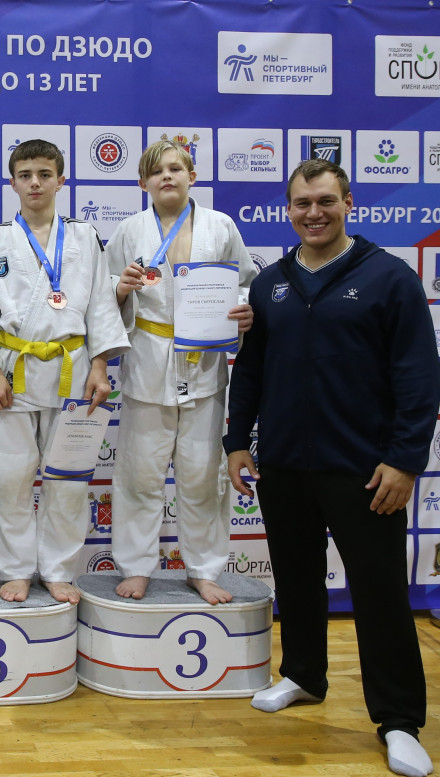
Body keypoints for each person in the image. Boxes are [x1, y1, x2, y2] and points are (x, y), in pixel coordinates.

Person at [225, 159, 439, 777]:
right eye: (302, 204)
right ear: (288, 210)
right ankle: (303, 675)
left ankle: (398, 720)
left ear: (349, 203)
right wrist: (237, 440)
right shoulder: (272, 283)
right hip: (285, 463)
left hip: (365, 469)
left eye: (325, 201)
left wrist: (404, 460)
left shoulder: (389, 277)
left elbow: (418, 377)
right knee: (295, 578)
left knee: (380, 593)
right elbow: (252, 370)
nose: (313, 213)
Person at [0, 140, 129, 604]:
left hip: (73, 368)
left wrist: (100, 365)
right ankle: (16, 569)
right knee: (12, 478)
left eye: (44, 174)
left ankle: (58, 569)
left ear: (60, 180)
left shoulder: (84, 237)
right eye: (25, 175)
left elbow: (100, 304)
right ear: (12, 183)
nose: (35, 183)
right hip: (13, 372)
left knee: (68, 479)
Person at [107, 140, 256, 604]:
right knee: (139, 475)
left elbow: (245, 282)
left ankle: (204, 569)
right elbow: (101, 294)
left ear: (192, 175)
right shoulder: (129, 230)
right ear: (143, 183)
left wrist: (243, 309)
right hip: (147, 361)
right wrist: (120, 289)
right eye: (157, 171)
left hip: (204, 362)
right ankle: (136, 566)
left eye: (175, 168)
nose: (166, 176)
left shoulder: (220, 225)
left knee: (202, 475)